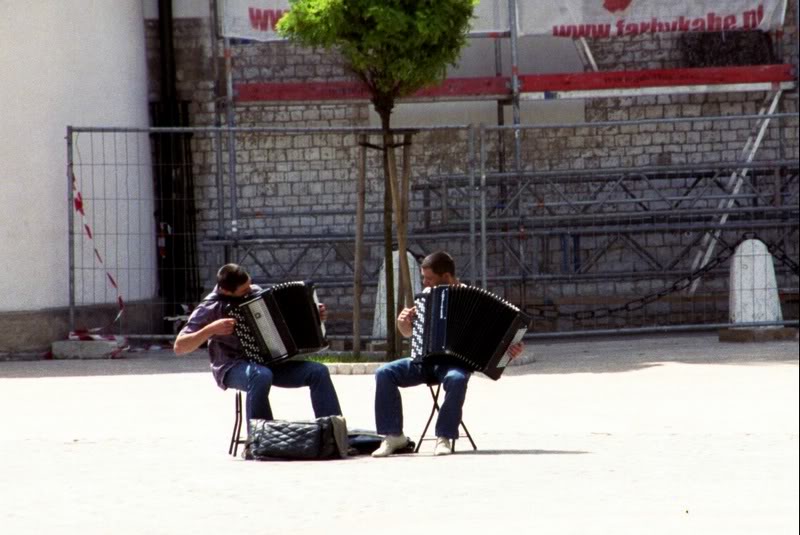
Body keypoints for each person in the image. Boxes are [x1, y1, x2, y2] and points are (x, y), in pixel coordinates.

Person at [372, 251, 524, 457]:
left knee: (456, 379)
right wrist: (403, 323)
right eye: (423, 278)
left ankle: (443, 437)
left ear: (446, 276)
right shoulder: (426, 297)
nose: (425, 283)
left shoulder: (473, 299)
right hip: (423, 361)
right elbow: (410, 333)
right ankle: (393, 436)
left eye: (429, 278)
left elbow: (502, 337)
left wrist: (510, 349)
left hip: (454, 364)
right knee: (384, 372)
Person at [174, 264, 342, 425]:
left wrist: (313, 315)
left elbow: (284, 321)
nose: (250, 291)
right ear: (226, 290)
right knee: (261, 376)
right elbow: (180, 347)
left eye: (250, 285)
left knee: (318, 372)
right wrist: (210, 329)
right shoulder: (209, 308)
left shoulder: (256, 292)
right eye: (244, 290)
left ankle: (334, 432)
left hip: (269, 363)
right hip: (232, 366)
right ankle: (260, 439)